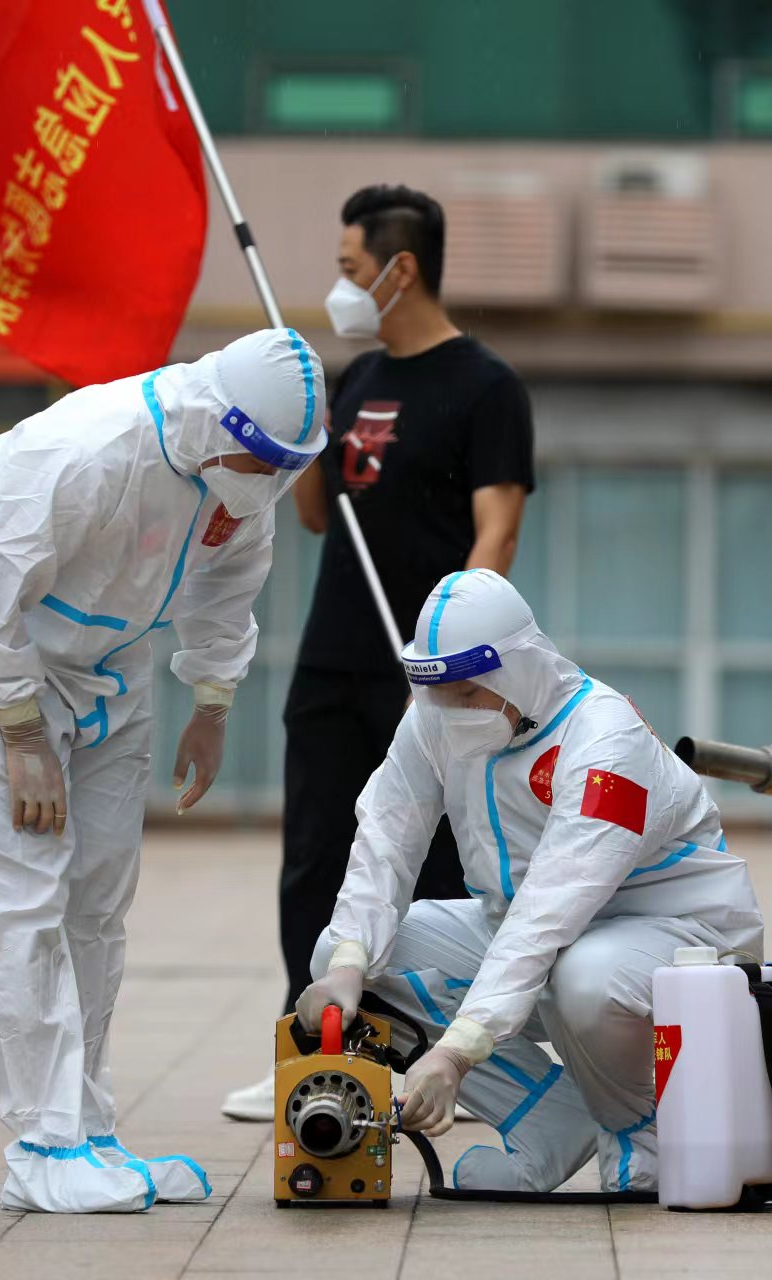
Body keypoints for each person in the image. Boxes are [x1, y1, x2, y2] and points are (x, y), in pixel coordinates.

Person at [0, 328, 324, 1213]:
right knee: (21, 888)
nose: (271, 482)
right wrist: (20, 730)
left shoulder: (241, 478)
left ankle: (87, 1125)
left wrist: (212, 704)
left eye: (289, 467)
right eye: (262, 459)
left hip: (110, 651)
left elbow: (226, 590)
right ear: (217, 419)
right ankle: (41, 1145)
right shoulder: (87, 449)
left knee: (99, 895)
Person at [222, 184, 536, 1121]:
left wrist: (456, 666)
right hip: (335, 657)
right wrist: (307, 418)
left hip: (431, 676)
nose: (341, 285)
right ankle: (310, 1050)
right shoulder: (356, 378)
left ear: (400, 270)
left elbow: (498, 532)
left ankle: (444, 1061)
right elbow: (319, 516)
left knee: (435, 867)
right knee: (317, 857)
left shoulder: (487, 387)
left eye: (350, 268)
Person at [294, 569, 763, 1192]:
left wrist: (459, 1049)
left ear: (518, 669)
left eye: (467, 691)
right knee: (344, 953)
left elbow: (551, 908)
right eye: (437, 691)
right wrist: (351, 962)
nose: (451, 709)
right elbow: (386, 839)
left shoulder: (606, 743)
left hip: (678, 938)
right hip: (533, 932)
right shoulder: (435, 720)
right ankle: (550, 1120)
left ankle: (643, 1134)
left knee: (586, 978)